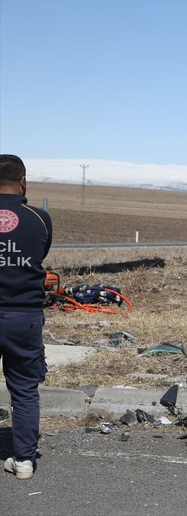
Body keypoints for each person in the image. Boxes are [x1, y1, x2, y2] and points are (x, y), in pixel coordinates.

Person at [0, 155, 53, 479]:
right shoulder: (40, 218)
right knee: (23, 389)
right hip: (24, 315)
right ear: (23, 181)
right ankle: (23, 461)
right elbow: (41, 253)